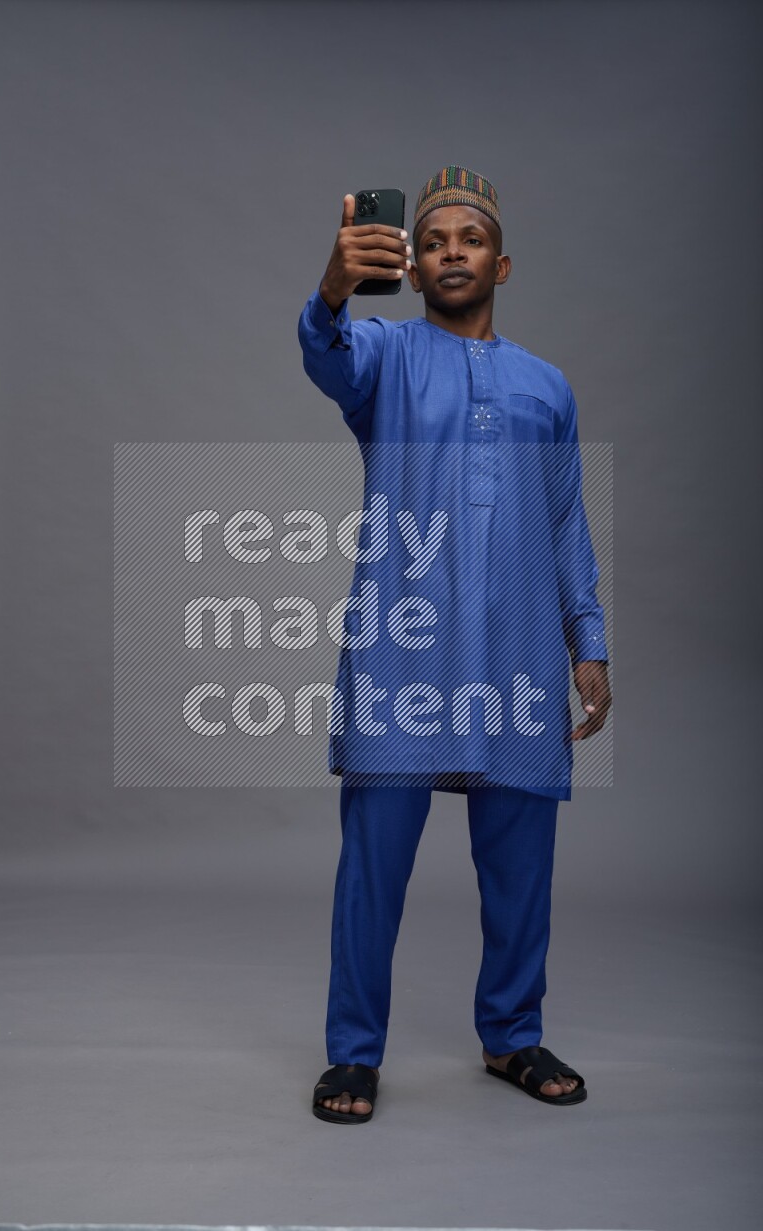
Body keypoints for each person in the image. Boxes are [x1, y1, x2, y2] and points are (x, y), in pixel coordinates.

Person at [297, 166, 612, 1123]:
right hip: (405, 650)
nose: (450, 253)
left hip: (516, 655)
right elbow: (326, 356)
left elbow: (565, 519)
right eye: (433, 242)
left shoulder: (546, 386)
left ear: (501, 263)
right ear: (415, 264)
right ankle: (353, 1053)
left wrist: (586, 640)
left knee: (522, 867)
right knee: (372, 869)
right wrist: (332, 288)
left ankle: (511, 1034)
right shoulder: (385, 357)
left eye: (468, 239)